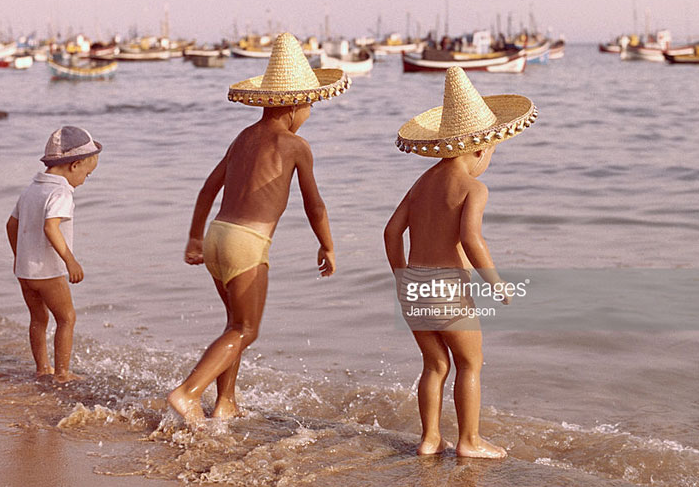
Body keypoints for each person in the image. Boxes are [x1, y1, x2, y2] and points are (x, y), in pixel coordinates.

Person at [168, 32, 350, 424]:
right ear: (295, 105)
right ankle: (187, 393)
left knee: (234, 325)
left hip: (217, 234)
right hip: (247, 243)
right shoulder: (294, 145)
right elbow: (314, 204)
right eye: (310, 106)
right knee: (246, 330)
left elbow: (207, 190)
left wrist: (195, 237)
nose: (309, 114)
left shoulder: (243, 137)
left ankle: (226, 402)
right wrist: (327, 245)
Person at [384, 66, 537, 457]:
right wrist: (497, 283)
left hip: (415, 284)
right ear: (481, 148)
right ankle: (469, 440)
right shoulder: (474, 187)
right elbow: (471, 238)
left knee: (435, 364)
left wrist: (403, 277)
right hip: (448, 288)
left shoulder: (422, 182)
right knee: (471, 363)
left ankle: (430, 438)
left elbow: (390, 232)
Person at [6, 126, 102, 382]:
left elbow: (11, 225)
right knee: (66, 318)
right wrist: (70, 260)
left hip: (25, 272)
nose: (84, 180)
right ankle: (62, 373)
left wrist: (19, 256)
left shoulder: (31, 189)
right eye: (87, 174)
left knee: (38, 318)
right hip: (48, 272)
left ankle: (42, 368)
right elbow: (51, 226)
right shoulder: (60, 192)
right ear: (74, 165)